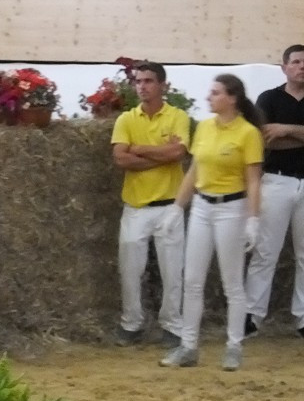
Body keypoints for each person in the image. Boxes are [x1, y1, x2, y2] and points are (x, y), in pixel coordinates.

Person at [158, 74, 263, 371]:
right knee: (192, 279)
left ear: (232, 98)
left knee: (232, 282)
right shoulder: (203, 127)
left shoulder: (247, 133)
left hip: (232, 207)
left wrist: (253, 218)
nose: (208, 97)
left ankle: (234, 346)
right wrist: (177, 208)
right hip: (203, 206)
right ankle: (189, 345)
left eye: (215, 93)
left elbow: (253, 180)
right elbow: (193, 171)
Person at [110, 61, 191, 347]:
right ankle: (131, 324)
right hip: (135, 206)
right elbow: (120, 159)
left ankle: (172, 325)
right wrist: (160, 154)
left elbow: (178, 154)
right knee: (130, 270)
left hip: (170, 205)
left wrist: (140, 149)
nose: (142, 86)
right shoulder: (126, 120)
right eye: (138, 81)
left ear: (163, 86)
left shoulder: (178, 116)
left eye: (149, 81)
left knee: (173, 271)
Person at [244, 44, 304, 338]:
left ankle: (303, 318)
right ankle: (252, 317)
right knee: (265, 252)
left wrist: (287, 130)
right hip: (276, 181)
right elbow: (264, 139)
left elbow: (279, 136)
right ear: (284, 67)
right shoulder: (268, 98)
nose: (301, 67)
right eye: (295, 62)